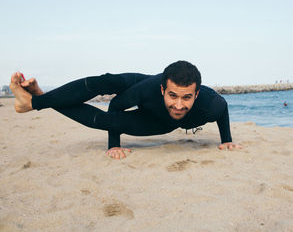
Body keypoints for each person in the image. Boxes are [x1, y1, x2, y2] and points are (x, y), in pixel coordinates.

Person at [10, 60, 242, 159]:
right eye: (173, 95)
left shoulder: (212, 104)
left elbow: (223, 112)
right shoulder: (149, 88)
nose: (179, 105)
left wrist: (227, 139)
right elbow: (116, 106)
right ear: (163, 89)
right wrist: (114, 145)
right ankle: (34, 102)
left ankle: (39, 97)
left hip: (160, 121)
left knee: (109, 121)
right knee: (106, 82)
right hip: (139, 86)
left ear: (197, 94)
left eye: (186, 98)